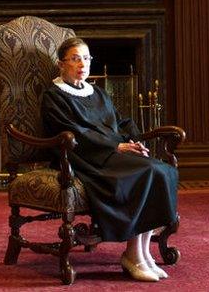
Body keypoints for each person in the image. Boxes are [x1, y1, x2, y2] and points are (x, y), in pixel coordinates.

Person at [41, 37, 178, 282]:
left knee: (162, 170)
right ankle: (132, 255)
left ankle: (144, 253)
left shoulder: (98, 93)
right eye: (74, 58)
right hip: (88, 158)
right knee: (146, 173)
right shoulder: (54, 96)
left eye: (86, 58)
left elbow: (120, 121)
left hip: (114, 152)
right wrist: (116, 145)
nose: (82, 64)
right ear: (61, 64)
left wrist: (134, 141)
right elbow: (73, 133)